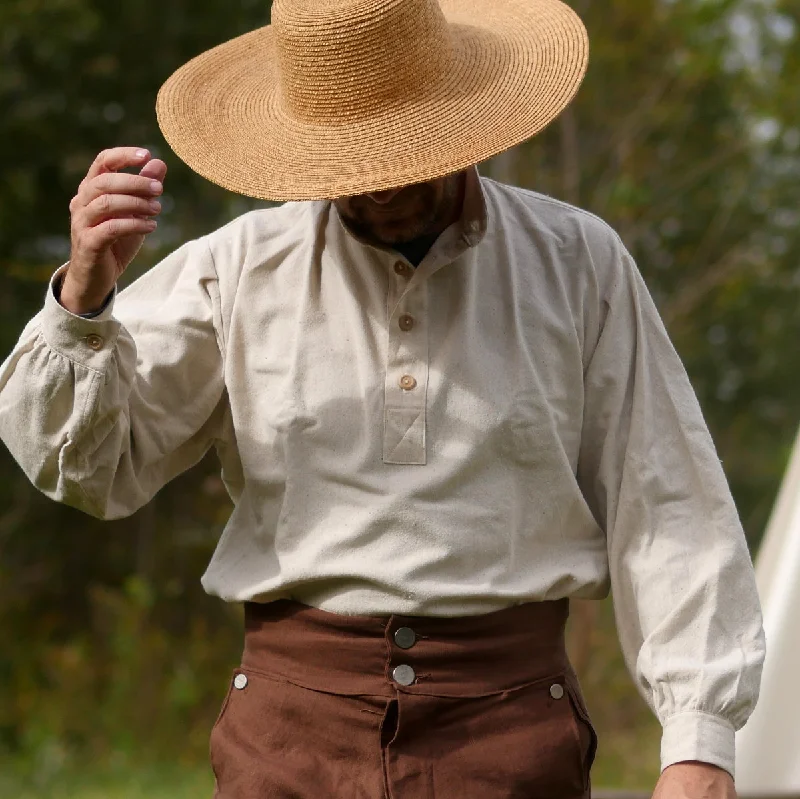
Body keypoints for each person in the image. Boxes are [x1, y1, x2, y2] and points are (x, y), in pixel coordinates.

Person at [0, 0, 765, 797]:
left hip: (512, 736)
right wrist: (84, 299)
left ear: (458, 120)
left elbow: (668, 499)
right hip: (288, 741)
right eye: (348, 159)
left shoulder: (578, 263)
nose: (374, 184)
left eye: (397, 152)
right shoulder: (233, 271)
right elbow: (87, 470)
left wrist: (699, 742)